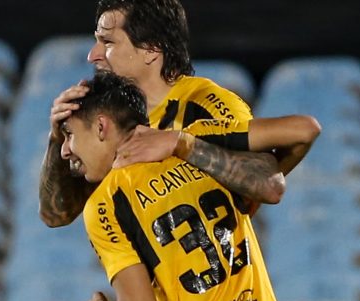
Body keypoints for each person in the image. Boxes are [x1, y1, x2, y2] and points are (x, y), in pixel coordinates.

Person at [61, 71, 318, 301]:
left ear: (101, 127)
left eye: (69, 135)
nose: (64, 150)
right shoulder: (199, 147)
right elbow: (304, 130)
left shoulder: (107, 201)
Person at [39, 0, 307, 228]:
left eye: (107, 41)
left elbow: (267, 183)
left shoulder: (206, 104)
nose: (92, 55)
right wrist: (57, 137)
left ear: (151, 50)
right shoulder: (107, 118)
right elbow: (55, 215)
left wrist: (182, 144)